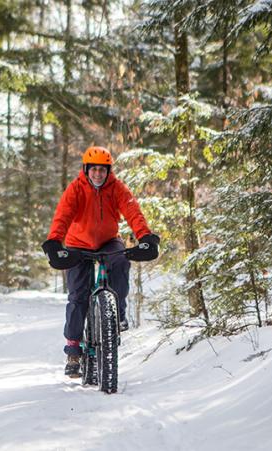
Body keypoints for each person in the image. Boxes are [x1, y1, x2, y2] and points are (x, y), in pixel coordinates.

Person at [42, 146, 160, 378]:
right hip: (78, 244)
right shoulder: (76, 189)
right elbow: (62, 216)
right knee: (78, 297)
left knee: (121, 260)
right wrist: (55, 242)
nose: (98, 174)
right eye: (94, 169)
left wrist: (145, 237)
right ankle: (74, 350)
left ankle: (117, 314)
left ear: (108, 171)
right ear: (86, 170)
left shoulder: (116, 188)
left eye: (102, 170)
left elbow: (132, 211)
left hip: (108, 241)